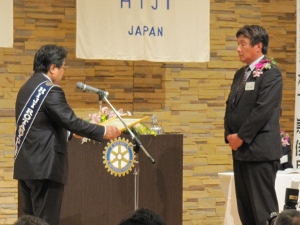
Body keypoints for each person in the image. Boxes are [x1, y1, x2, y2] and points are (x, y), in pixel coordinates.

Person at [14, 44, 121, 225]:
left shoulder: (25, 89)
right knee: (45, 221)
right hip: (46, 168)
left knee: (30, 222)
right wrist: (103, 131)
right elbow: (71, 121)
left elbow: (41, 125)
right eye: (63, 67)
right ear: (53, 68)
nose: (64, 72)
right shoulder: (50, 89)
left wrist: (70, 134)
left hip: (26, 167)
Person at [224, 25, 283, 225]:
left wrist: (241, 137)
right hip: (241, 152)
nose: (238, 49)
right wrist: (229, 135)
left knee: (264, 212)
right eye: (237, 44)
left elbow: (262, 111)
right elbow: (230, 107)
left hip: (260, 153)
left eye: (243, 44)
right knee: (246, 210)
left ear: (258, 46)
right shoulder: (240, 74)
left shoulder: (271, 73)